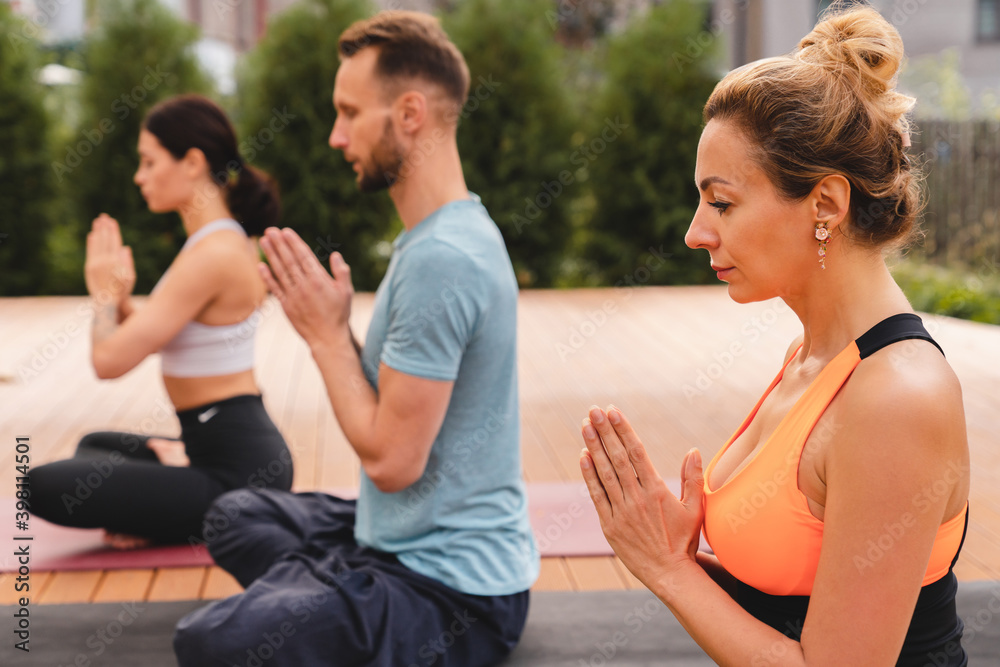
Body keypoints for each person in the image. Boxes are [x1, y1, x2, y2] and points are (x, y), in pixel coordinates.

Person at [579, 6, 970, 667]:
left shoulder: (896, 397)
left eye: (722, 202)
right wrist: (681, 557)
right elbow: (796, 590)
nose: (695, 232)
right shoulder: (812, 358)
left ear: (825, 205)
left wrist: (668, 569)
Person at [172, 11, 538, 667]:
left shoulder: (443, 258)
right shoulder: (438, 235)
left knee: (208, 642)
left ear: (410, 113)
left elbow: (395, 462)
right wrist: (337, 331)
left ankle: (332, 591)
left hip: (456, 595)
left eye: (348, 112)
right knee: (235, 514)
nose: (336, 136)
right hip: (391, 535)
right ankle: (331, 586)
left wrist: (326, 338)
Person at [28, 95, 293, 549]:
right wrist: (122, 303)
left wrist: (104, 294)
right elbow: (161, 328)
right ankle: (175, 480)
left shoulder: (214, 255)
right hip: (216, 445)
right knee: (95, 444)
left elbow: (109, 361)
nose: (139, 176)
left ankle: (177, 511)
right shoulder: (217, 242)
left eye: (149, 162)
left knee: (41, 486)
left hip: (237, 473)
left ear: (192, 162)